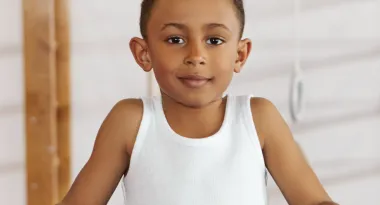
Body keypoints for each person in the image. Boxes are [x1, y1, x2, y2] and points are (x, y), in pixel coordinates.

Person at [59, 0, 339, 204]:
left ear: (240, 55)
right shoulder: (130, 122)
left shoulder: (258, 120)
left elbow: (313, 201)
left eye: (214, 40)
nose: (196, 55)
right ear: (144, 53)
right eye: (175, 39)